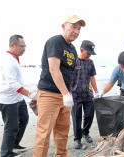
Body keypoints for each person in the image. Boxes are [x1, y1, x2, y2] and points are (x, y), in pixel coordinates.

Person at [33, 15, 85, 157]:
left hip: (64, 95)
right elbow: (54, 69)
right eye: (73, 27)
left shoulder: (73, 49)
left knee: (63, 131)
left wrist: (69, 93)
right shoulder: (55, 42)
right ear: (63, 26)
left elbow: (70, 73)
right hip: (49, 93)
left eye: (79, 29)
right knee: (44, 133)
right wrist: (66, 94)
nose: (76, 31)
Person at [0, 34, 36, 157]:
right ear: (12, 45)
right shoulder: (8, 60)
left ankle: (14, 143)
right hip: (7, 100)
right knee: (11, 127)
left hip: (17, 98)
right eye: (22, 46)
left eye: (25, 46)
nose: (24, 49)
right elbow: (13, 84)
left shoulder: (14, 57)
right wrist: (31, 95)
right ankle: (6, 153)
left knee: (24, 119)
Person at [71, 40, 98, 149]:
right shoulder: (73, 61)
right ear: (81, 50)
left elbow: (92, 78)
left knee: (89, 115)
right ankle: (77, 139)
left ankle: (85, 132)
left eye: (91, 53)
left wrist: (96, 92)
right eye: (88, 53)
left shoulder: (90, 62)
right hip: (75, 95)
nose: (89, 55)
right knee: (76, 118)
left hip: (88, 94)